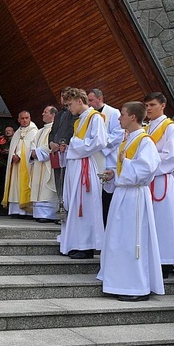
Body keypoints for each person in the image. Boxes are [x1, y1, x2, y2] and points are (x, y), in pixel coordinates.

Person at [98, 101, 163, 301]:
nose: (119, 118)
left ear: (133, 117)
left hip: (135, 196)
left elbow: (147, 169)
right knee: (118, 239)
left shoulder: (145, 141)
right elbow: (126, 169)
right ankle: (118, 282)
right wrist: (114, 174)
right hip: (122, 194)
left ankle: (136, 287)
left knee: (133, 241)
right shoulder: (126, 141)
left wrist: (124, 165)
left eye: (122, 114)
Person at [144, 92, 174, 277]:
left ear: (163, 105)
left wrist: (146, 163)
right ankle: (149, 258)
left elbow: (172, 156)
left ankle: (164, 262)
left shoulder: (170, 127)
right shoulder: (146, 128)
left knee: (163, 222)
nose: (148, 108)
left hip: (161, 178)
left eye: (152, 105)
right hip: (147, 179)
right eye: (146, 105)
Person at [59, 88, 107, 259]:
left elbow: (100, 141)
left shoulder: (95, 117)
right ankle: (74, 242)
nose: (68, 108)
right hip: (75, 166)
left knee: (84, 206)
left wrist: (74, 146)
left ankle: (86, 246)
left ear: (80, 100)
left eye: (70, 104)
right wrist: (68, 148)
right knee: (74, 203)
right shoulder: (79, 121)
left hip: (85, 166)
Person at [88, 88, 124, 226]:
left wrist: (99, 144)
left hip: (108, 159)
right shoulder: (90, 115)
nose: (89, 103)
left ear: (100, 98)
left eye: (91, 100)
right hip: (94, 159)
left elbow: (118, 135)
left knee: (106, 197)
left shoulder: (113, 113)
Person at [2, 110, 38, 218]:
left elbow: (30, 145)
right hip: (16, 165)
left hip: (26, 164)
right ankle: (15, 210)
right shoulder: (17, 132)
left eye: (27, 118)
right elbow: (15, 145)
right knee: (14, 186)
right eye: (22, 118)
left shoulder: (33, 130)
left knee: (26, 185)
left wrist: (19, 155)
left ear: (30, 118)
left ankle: (27, 211)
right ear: (18, 120)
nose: (25, 120)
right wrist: (12, 154)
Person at [29, 105, 58, 222]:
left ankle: (48, 215)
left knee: (47, 187)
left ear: (53, 115)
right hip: (38, 164)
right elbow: (32, 143)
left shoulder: (55, 129)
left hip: (48, 163)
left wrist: (38, 152)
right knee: (38, 187)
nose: (42, 114)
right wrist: (33, 152)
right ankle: (38, 214)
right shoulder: (40, 131)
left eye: (45, 112)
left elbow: (51, 145)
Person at [49, 87, 74, 205]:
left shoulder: (74, 114)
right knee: (58, 179)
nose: (63, 98)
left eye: (66, 96)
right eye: (62, 96)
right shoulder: (58, 114)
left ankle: (66, 206)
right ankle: (60, 204)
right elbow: (52, 131)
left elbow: (72, 130)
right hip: (56, 151)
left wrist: (62, 143)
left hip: (66, 150)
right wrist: (51, 143)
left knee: (65, 180)